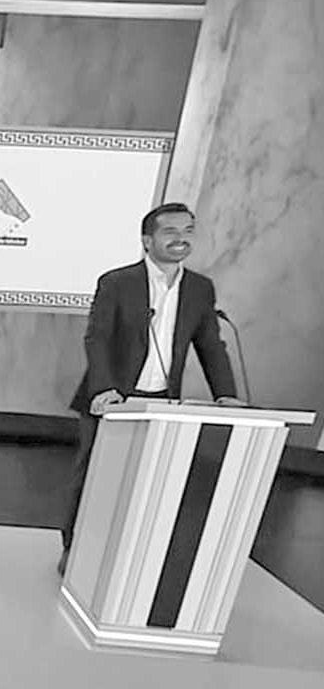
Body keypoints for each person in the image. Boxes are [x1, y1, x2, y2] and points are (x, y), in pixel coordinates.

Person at [58, 202, 244, 573]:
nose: (180, 239)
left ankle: (130, 554)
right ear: (147, 240)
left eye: (187, 231)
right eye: (170, 231)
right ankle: (73, 548)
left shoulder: (200, 289)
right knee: (93, 478)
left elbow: (211, 345)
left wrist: (226, 395)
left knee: (148, 484)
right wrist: (103, 390)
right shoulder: (117, 283)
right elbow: (97, 337)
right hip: (112, 400)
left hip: (162, 403)